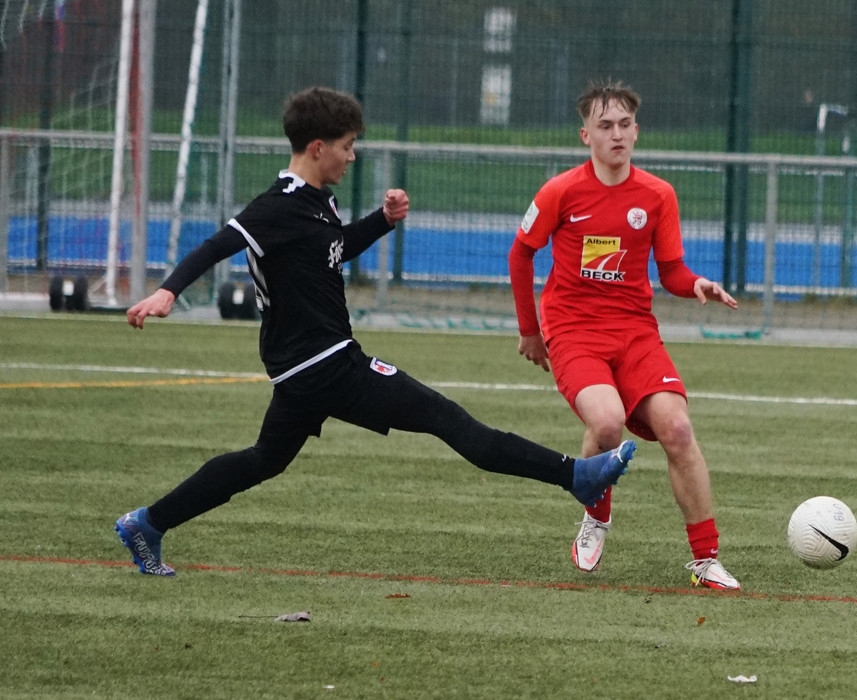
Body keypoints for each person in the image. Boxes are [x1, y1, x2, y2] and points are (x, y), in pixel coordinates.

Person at [115, 86, 635, 577]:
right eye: (347, 146)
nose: (352, 156)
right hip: (326, 365)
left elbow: (334, 249)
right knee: (445, 418)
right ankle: (574, 475)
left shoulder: (318, 200)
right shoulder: (278, 205)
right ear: (317, 148)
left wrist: (382, 220)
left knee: (263, 460)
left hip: (305, 368)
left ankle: (148, 524)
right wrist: (168, 292)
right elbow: (218, 245)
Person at [508, 79, 740, 590]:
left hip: (635, 332)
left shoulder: (657, 195)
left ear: (637, 131)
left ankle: (706, 560)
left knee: (678, 430)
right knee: (608, 421)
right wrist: (530, 330)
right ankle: (595, 518)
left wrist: (695, 284)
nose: (616, 134)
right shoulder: (560, 191)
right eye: (605, 125)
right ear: (585, 135)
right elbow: (521, 253)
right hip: (574, 331)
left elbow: (671, 270)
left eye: (624, 125)